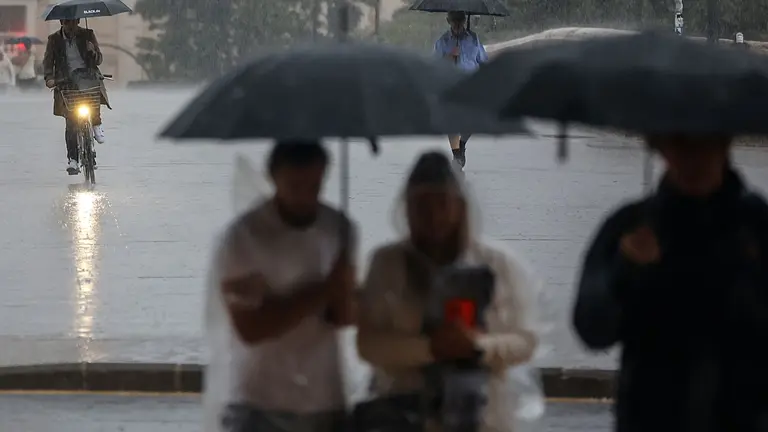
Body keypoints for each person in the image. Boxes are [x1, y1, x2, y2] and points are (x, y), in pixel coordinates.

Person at [573, 135, 768, 432]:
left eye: (703, 146)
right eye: (680, 145)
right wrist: (627, 269)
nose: (692, 161)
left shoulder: (757, 227)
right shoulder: (632, 226)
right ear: (660, 148)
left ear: (725, 143)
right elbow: (592, 328)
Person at [357, 151, 541, 432]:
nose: (433, 216)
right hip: (403, 416)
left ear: (460, 207)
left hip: (484, 417)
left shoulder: (497, 263)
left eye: (442, 203)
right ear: (406, 209)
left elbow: (526, 340)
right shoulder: (387, 263)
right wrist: (428, 348)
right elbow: (369, 344)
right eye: (421, 205)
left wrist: (478, 346)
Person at [205, 140, 360, 432]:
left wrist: (348, 295)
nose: (305, 197)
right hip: (259, 400)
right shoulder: (243, 238)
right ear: (274, 178)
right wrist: (325, 290)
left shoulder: (339, 229)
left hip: (324, 397)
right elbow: (251, 328)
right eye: (295, 186)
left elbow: (342, 317)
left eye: (313, 187)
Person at [43, 19, 111, 175]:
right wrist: (49, 78)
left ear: (78, 21)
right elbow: (48, 63)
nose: (70, 26)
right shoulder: (54, 40)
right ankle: (73, 159)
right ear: (62, 22)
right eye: (67, 23)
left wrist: (92, 51)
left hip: (88, 78)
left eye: (73, 22)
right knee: (71, 122)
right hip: (67, 83)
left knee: (93, 99)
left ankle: (96, 123)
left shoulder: (88, 35)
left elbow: (99, 60)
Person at [434, 11, 488, 171]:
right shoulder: (442, 42)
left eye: (460, 20)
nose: (457, 24)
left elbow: (483, 60)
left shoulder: (474, 39)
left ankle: (462, 143)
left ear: (465, 20)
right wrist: (450, 56)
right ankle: (456, 154)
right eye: (454, 20)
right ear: (448, 21)